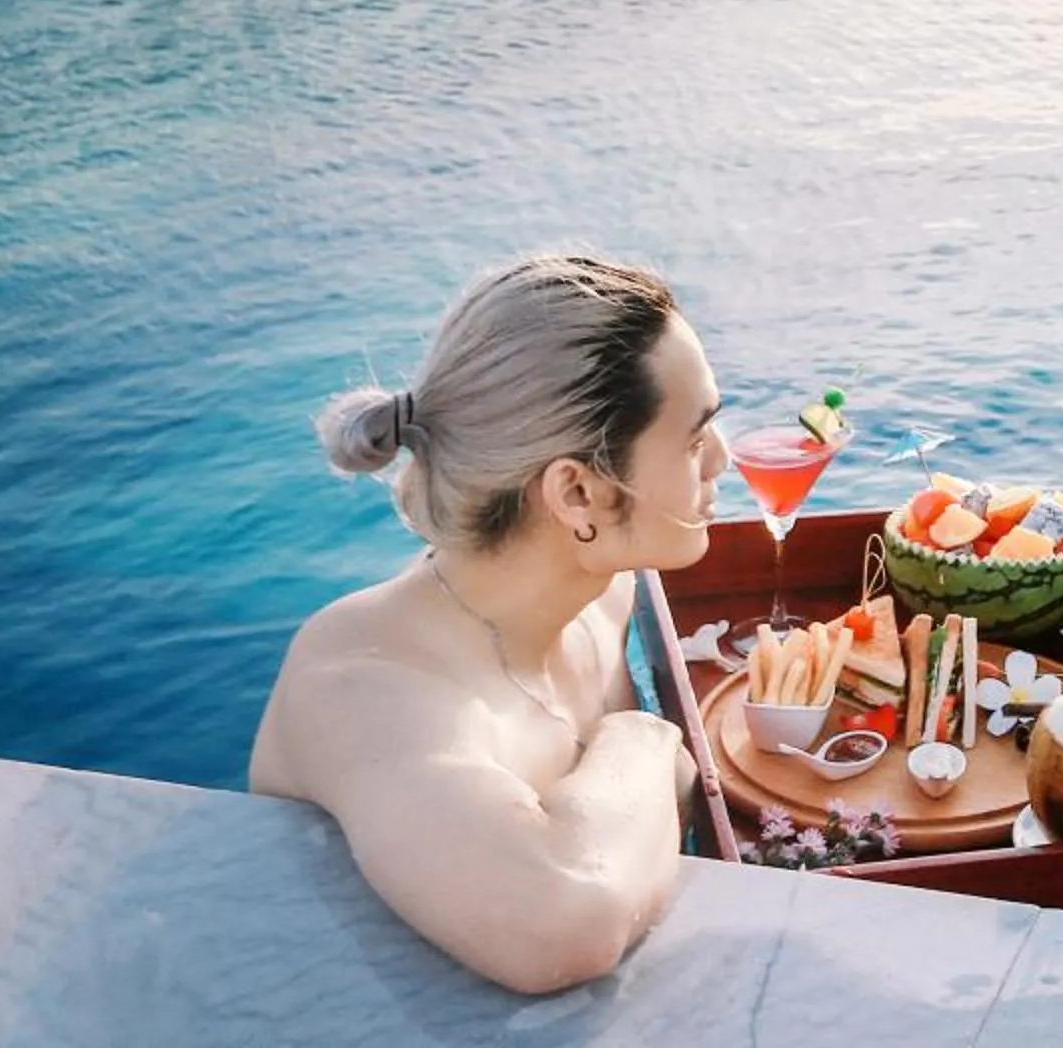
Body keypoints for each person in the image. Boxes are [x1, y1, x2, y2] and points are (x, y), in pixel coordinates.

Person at [248, 255, 726, 993]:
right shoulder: (365, 687)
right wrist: (649, 740)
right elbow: (567, 921)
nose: (723, 459)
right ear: (577, 493)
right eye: (694, 441)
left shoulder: (603, 593)